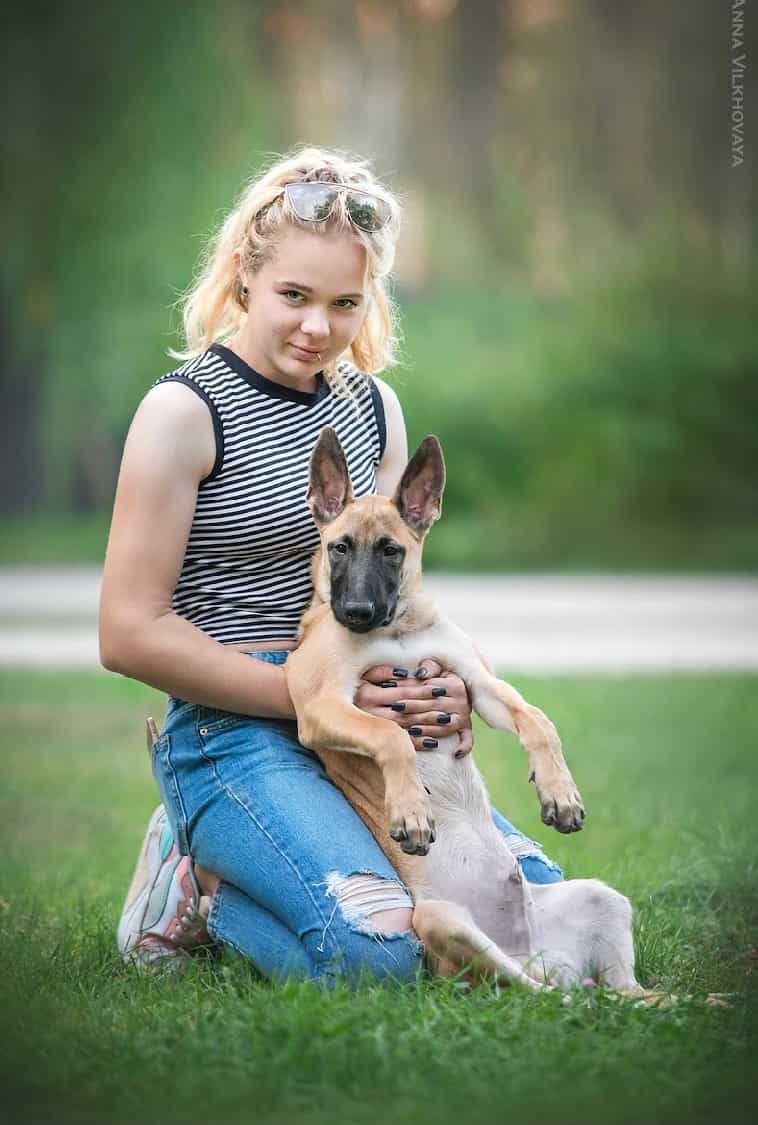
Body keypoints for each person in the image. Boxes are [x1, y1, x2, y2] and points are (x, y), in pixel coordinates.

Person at [101, 146, 562, 984]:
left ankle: (294, 858)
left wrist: (447, 688)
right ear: (246, 274)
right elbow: (127, 633)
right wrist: (310, 695)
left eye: (344, 303)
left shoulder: (373, 408)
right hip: (232, 729)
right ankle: (197, 880)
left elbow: (394, 588)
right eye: (295, 296)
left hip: (363, 720)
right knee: (377, 956)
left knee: (536, 909)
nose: (318, 327)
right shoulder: (183, 411)